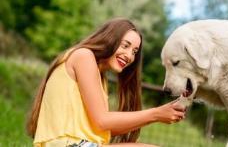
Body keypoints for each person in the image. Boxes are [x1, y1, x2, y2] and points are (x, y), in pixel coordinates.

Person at [26, 18, 186, 147]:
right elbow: (102, 121)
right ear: (110, 38)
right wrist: (156, 114)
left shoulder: (99, 75)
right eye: (125, 45)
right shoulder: (84, 56)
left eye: (134, 52)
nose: (130, 56)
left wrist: (157, 116)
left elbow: (99, 126)